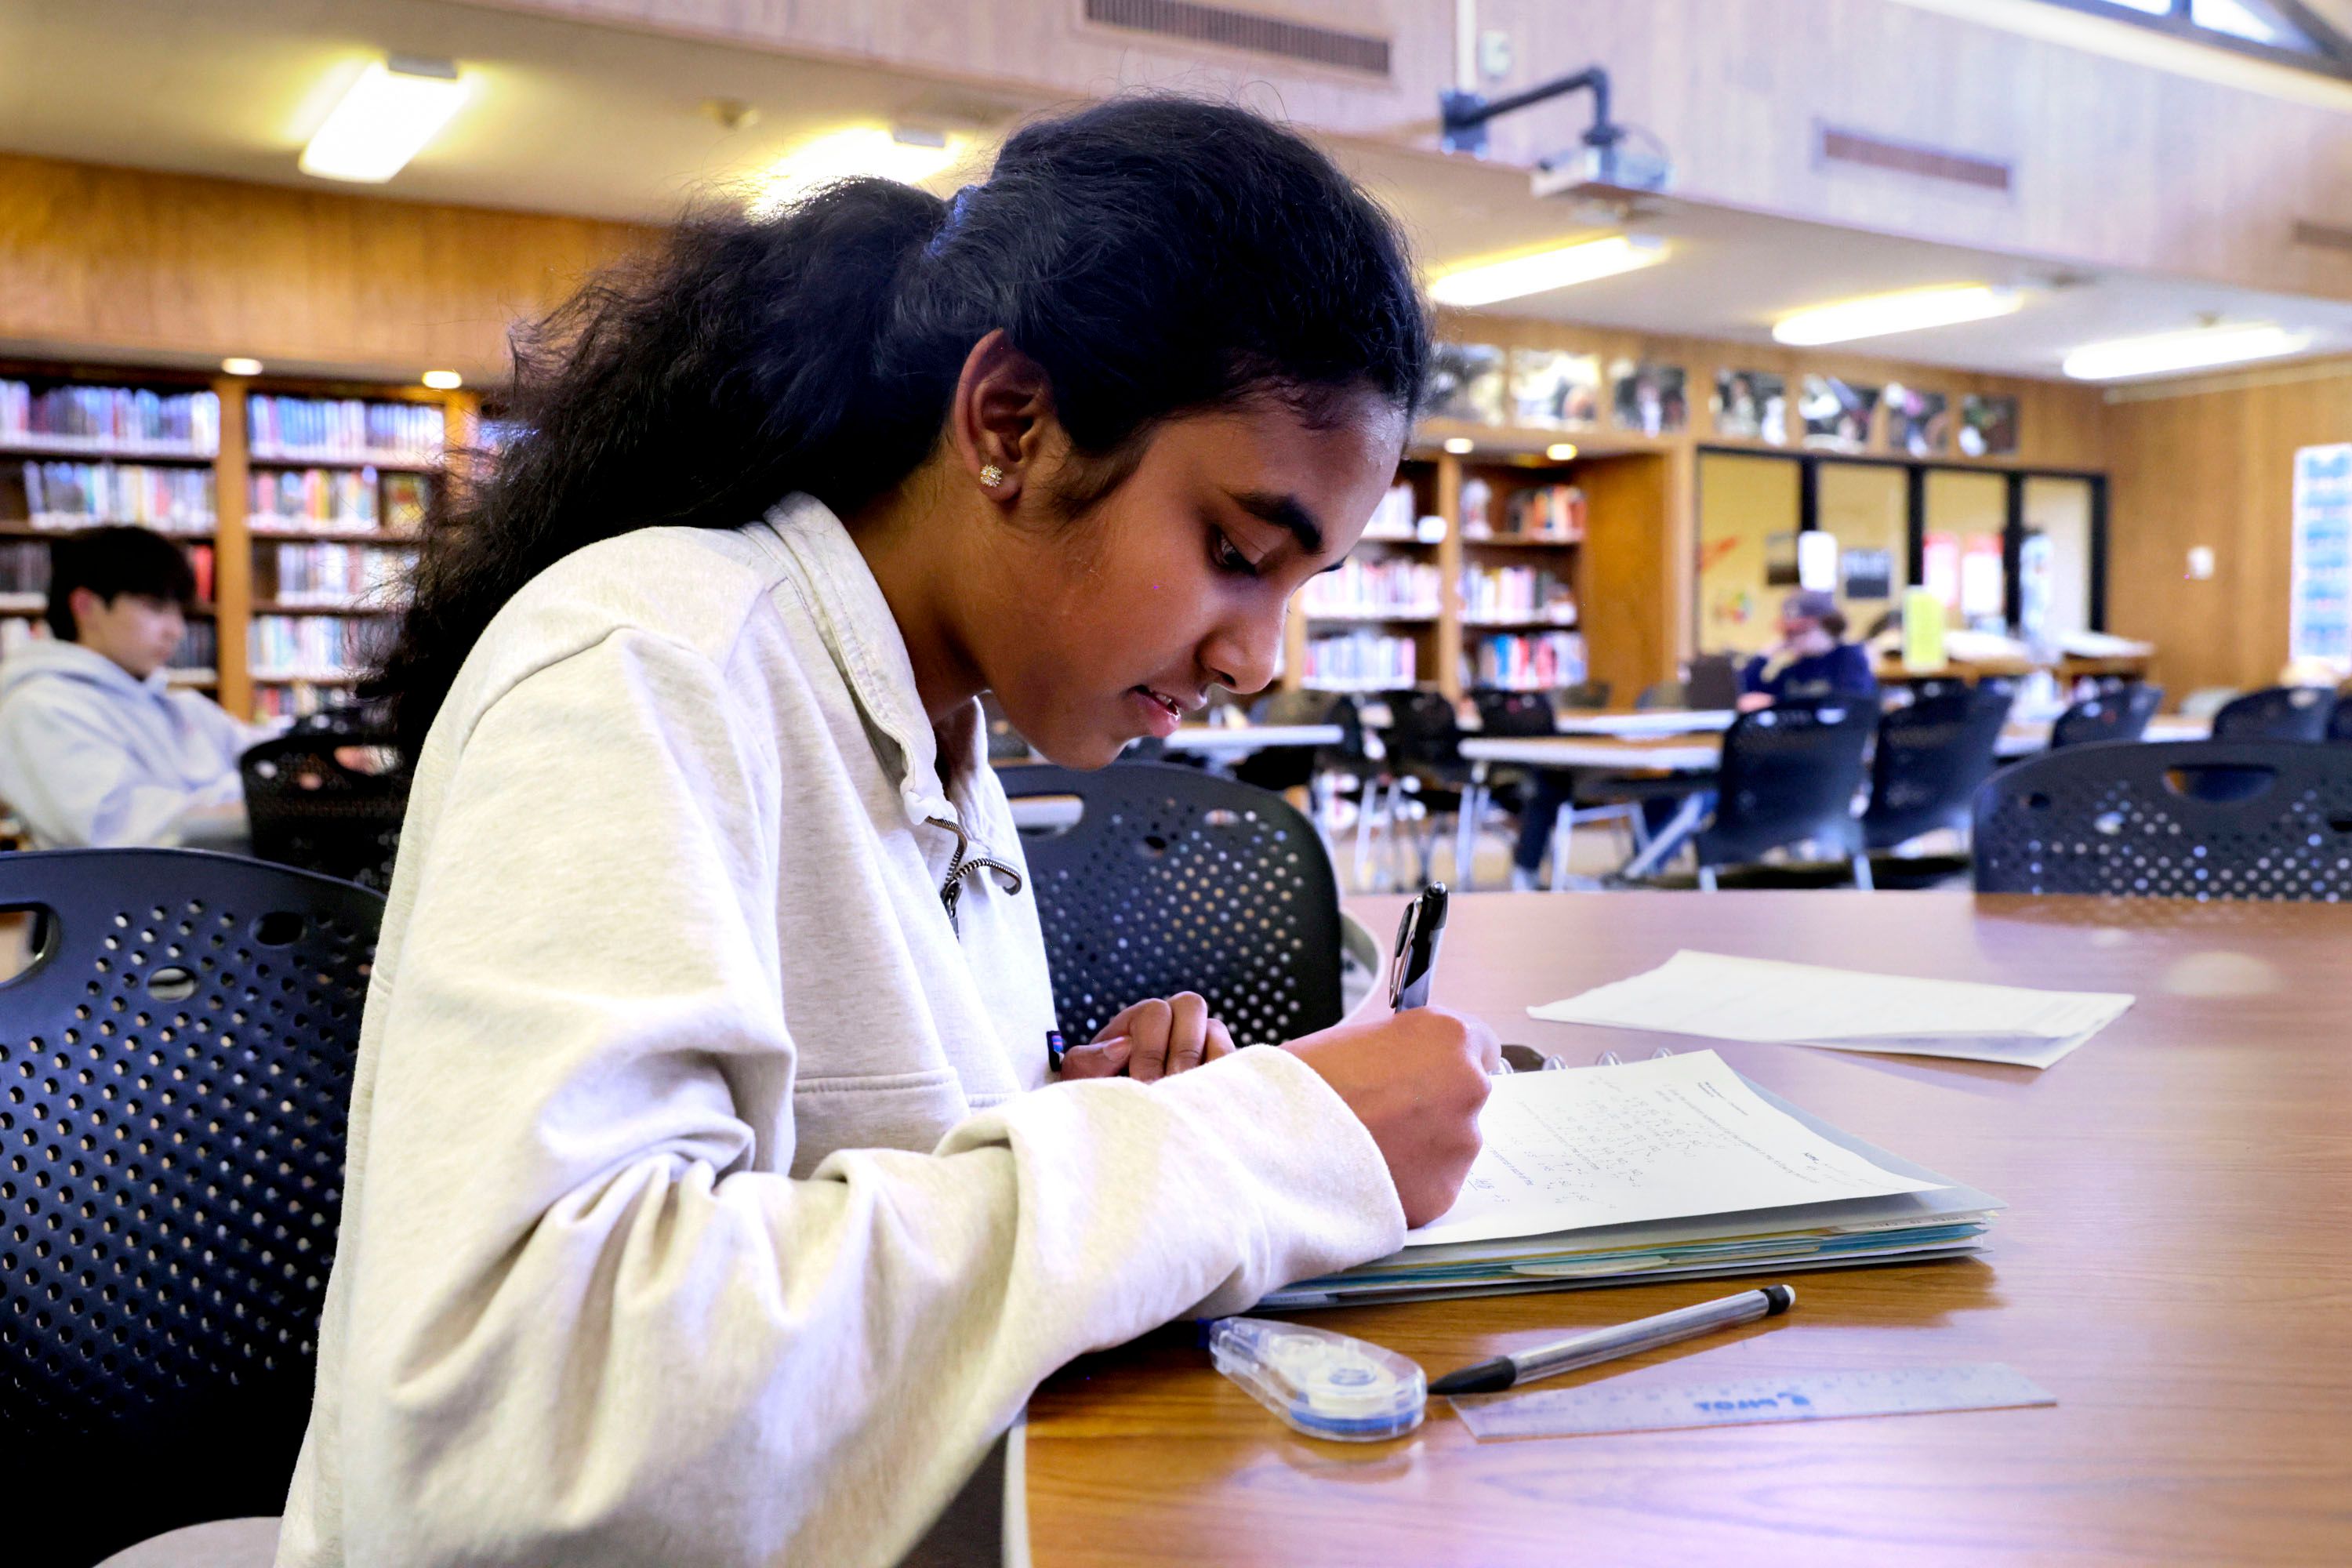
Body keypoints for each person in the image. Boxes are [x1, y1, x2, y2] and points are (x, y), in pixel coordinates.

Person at [279, 99, 1501, 1568]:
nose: (1259, 656)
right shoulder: (650, 661)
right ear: (1012, 423)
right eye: (1238, 554)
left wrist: (1097, 1124)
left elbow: (830, 1180)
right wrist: (1235, 1158)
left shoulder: (949, 732)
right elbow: (532, 1418)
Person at [0, 524, 269, 848]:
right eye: (155, 607)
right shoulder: (41, 707)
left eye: (179, 611)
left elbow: (267, 758)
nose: (176, 631)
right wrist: (261, 804)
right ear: (86, 606)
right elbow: (121, 829)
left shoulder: (179, 703)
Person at [1737, 588, 1878, 710]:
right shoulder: (1796, 668)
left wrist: (1776, 703)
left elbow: (1845, 704)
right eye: (1788, 633)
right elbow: (1745, 691)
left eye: (1800, 632)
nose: (1792, 639)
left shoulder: (1850, 659)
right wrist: (1764, 655)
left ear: (1827, 627)